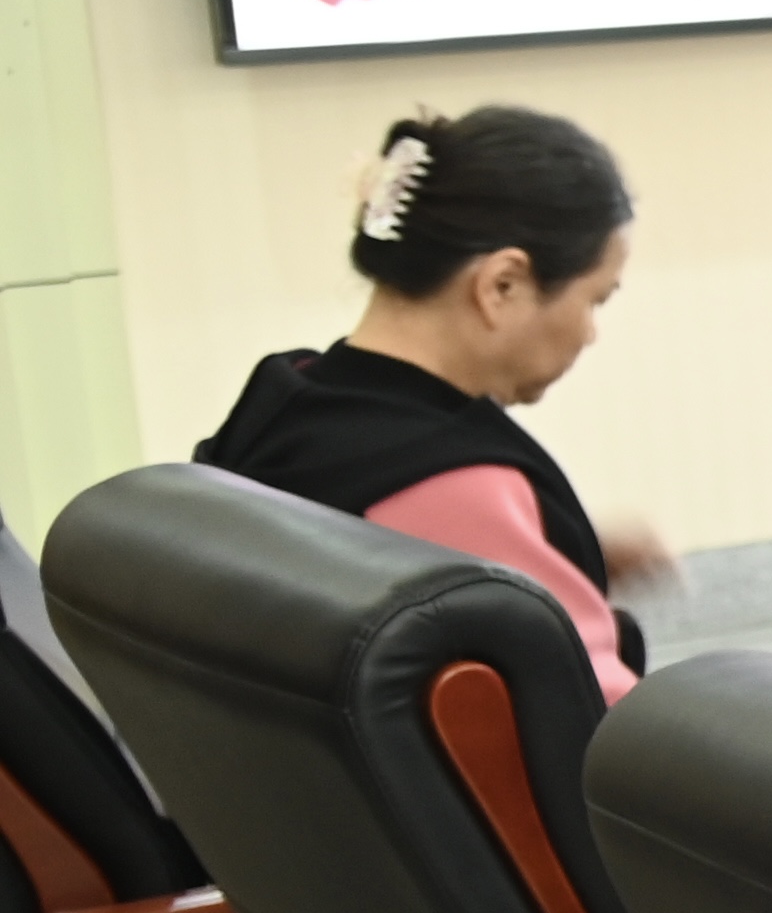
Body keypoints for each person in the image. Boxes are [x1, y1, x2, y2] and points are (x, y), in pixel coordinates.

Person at [195, 107, 667, 695]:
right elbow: (604, 726)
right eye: (595, 299)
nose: (590, 333)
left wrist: (541, 552)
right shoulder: (454, 482)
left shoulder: (283, 401)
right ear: (502, 285)